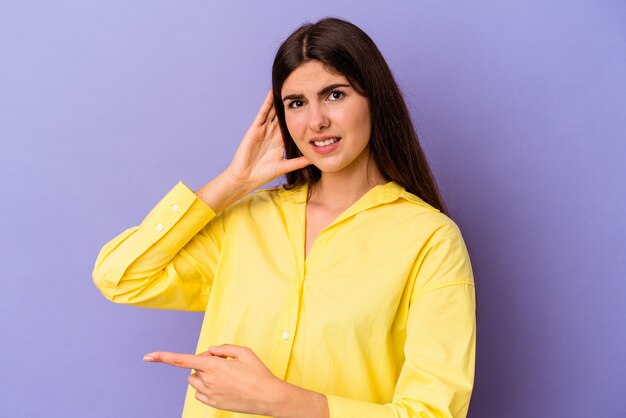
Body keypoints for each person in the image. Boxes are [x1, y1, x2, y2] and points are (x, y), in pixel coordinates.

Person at [93, 17, 476, 418]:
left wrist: (278, 401)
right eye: (296, 103)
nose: (316, 121)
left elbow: (434, 412)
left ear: (374, 100)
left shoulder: (429, 239)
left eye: (335, 95)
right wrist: (232, 181)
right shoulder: (246, 221)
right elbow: (120, 277)